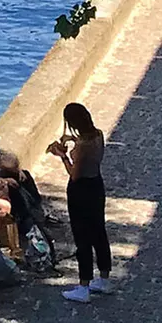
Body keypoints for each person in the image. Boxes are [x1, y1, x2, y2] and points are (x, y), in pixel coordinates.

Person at [51, 101, 116, 302]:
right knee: (99, 232)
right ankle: (104, 278)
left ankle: (84, 285)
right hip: (96, 185)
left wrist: (62, 155)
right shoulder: (98, 135)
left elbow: (74, 174)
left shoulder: (81, 146)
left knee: (82, 237)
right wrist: (72, 140)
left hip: (81, 191)